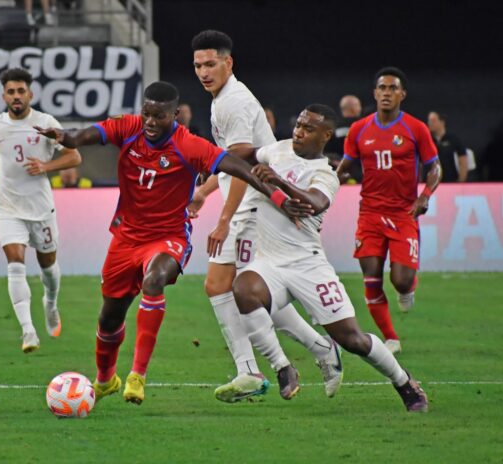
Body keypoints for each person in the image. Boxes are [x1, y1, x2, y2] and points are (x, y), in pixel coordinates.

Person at [35, 81, 305, 405]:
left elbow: (240, 168)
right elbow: (87, 135)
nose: (150, 122)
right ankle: (106, 379)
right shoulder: (129, 127)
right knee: (109, 317)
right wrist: (68, 138)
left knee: (154, 280)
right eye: (146, 114)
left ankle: (137, 376)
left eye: (159, 116)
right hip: (126, 238)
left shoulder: (189, 145)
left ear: (175, 115)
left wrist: (278, 196)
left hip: (168, 237)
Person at [234, 103, 428, 412]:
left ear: (325, 135)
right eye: (298, 124)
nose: (299, 131)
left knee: (353, 340)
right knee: (243, 289)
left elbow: (316, 202)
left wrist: (279, 182)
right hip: (269, 262)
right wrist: (212, 158)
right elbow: (246, 153)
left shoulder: (325, 174)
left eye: (308, 128)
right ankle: (283, 367)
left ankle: (404, 382)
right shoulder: (278, 149)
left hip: (308, 266)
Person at [188, 29, 343, 403]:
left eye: (210, 64)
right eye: (197, 66)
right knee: (228, 288)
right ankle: (313, 351)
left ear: (228, 63)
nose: (204, 72)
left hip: (254, 208)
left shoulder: (234, 103)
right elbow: (229, 163)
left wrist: (224, 219)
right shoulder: (222, 99)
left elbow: (243, 166)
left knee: (241, 289)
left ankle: (260, 368)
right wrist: (205, 192)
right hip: (248, 203)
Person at [0, 67, 82, 353]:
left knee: (48, 267)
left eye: (21, 91)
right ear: (4, 96)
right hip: (8, 206)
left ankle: (50, 303)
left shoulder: (45, 123)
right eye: (11, 92)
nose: (16, 96)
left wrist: (46, 166)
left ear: (30, 94)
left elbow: (74, 156)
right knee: (15, 263)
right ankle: (28, 331)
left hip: (40, 208)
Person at [336, 67, 442, 354]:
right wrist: (329, 182)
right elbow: (345, 167)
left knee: (401, 280)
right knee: (371, 275)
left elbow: (434, 167)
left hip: (403, 214)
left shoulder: (415, 128)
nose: (386, 93)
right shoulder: (359, 129)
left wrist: (425, 195)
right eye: (382, 88)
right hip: (370, 213)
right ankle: (391, 338)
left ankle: (407, 289)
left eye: (392, 88)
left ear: (402, 94)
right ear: (374, 93)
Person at [324, 95, 363, 183]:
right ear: (354, 108)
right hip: (360, 173)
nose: (360, 109)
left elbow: (325, 150)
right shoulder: (364, 126)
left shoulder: (332, 127)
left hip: (337, 173)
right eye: (359, 106)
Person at [427, 111, 469, 182]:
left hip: (450, 180)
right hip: (429, 181)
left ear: (442, 122)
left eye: (433, 121)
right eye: (429, 121)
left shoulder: (453, 140)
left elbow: (463, 161)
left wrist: (461, 181)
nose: (430, 123)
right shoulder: (426, 140)